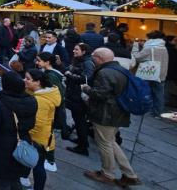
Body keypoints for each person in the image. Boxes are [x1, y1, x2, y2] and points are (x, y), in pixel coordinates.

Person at [82, 48, 141, 187]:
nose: (92, 59)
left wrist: (86, 89)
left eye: (94, 57)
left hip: (106, 114)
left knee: (104, 143)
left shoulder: (104, 72)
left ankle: (107, 174)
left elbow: (100, 94)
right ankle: (130, 174)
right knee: (110, 142)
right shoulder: (119, 69)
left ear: (100, 58)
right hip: (117, 112)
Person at [0, 71, 37, 190]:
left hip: (2, 150)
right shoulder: (31, 101)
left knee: (3, 182)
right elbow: (31, 124)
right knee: (15, 179)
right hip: (22, 144)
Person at [24, 69, 62, 190]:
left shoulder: (41, 101)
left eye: (28, 79)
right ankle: (24, 181)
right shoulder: (40, 93)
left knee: (38, 166)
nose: (25, 80)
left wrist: (24, 133)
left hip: (37, 139)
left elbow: (37, 124)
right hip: (42, 136)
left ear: (38, 82)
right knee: (31, 162)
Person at [35, 52, 67, 170]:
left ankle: (50, 160)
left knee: (48, 135)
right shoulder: (51, 73)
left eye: (39, 60)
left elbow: (57, 94)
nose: (37, 63)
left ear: (47, 62)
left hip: (52, 112)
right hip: (53, 110)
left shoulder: (50, 76)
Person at [64, 43, 95, 156]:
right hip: (74, 94)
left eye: (76, 49)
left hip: (79, 96)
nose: (73, 51)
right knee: (77, 119)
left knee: (80, 120)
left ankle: (82, 146)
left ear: (84, 51)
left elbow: (86, 79)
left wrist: (69, 74)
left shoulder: (87, 63)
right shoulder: (78, 60)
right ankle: (82, 141)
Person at [132, 30, 169, 118]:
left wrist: (136, 46)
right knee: (159, 94)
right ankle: (158, 112)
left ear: (151, 38)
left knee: (143, 91)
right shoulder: (163, 47)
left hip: (149, 74)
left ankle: (141, 107)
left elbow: (137, 57)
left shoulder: (149, 48)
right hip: (161, 74)